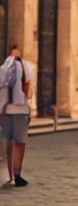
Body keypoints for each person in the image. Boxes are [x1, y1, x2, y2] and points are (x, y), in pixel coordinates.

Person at [0, 45, 35, 187]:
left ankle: (12, 175)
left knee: (9, 143)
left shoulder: (2, 70)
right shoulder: (26, 69)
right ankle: (16, 174)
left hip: (6, 111)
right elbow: (29, 93)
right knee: (19, 143)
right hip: (19, 111)